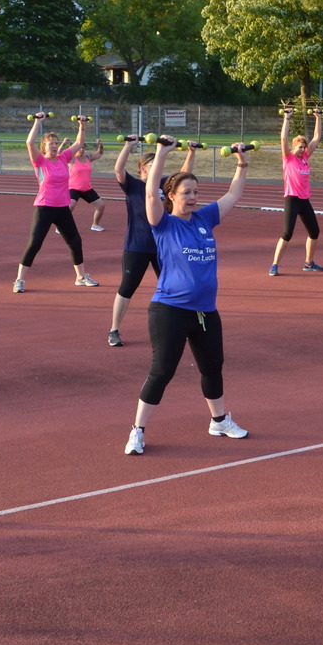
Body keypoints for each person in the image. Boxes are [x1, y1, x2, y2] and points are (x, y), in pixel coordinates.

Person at [124, 137, 251, 455]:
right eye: (187, 193)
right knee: (162, 371)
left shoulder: (205, 219)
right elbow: (150, 192)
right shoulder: (163, 223)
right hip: (169, 309)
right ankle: (137, 431)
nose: (193, 197)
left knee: (213, 367)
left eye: (196, 192)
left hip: (206, 311)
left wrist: (241, 162)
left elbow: (234, 194)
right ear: (172, 196)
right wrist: (164, 153)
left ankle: (219, 420)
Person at [108, 135, 197, 347]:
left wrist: (191, 152)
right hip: (137, 246)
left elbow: (184, 175)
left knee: (173, 286)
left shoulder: (165, 185)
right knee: (127, 288)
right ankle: (114, 329)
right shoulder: (134, 185)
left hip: (163, 247)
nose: (154, 166)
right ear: (142, 171)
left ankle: (179, 325)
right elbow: (118, 170)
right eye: (149, 164)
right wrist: (128, 146)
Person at [13, 114, 99, 292]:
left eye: (55, 143)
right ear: (44, 146)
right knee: (35, 243)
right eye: (50, 143)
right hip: (44, 207)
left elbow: (79, 143)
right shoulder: (40, 161)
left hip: (62, 208)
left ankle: (81, 276)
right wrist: (38, 122)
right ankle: (20, 280)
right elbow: (29, 143)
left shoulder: (63, 158)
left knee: (75, 241)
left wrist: (82, 125)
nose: (53, 146)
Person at [269, 107, 323, 275]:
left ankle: (308, 263)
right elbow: (283, 137)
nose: (302, 149)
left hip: (304, 200)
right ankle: (274, 265)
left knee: (314, 232)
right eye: (299, 147)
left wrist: (318, 117)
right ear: (293, 147)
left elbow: (317, 137)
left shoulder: (306, 158)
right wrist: (287, 118)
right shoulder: (288, 157)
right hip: (292, 199)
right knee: (287, 234)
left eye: (304, 147)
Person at [69, 138, 108, 232]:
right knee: (69, 207)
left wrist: (100, 145)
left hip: (86, 188)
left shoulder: (87, 158)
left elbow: (99, 153)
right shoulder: (71, 159)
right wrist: (64, 143)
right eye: (79, 148)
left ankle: (95, 224)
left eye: (83, 148)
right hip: (73, 188)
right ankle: (61, 226)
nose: (81, 150)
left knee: (101, 206)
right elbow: (60, 154)